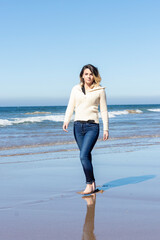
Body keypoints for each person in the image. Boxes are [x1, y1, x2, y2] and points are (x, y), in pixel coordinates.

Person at [63, 64, 109, 195]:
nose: (88, 76)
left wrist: (106, 129)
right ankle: (93, 183)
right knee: (86, 155)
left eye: (91, 74)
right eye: (86, 74)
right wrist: (66, 120)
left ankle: (89, 184)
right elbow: (70, 105)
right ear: (82, 75)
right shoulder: (75, 89)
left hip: (92, 126)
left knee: (83, 155)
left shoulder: (100, 90)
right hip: (77, 126)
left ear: (95, 76)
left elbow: (104, 110)